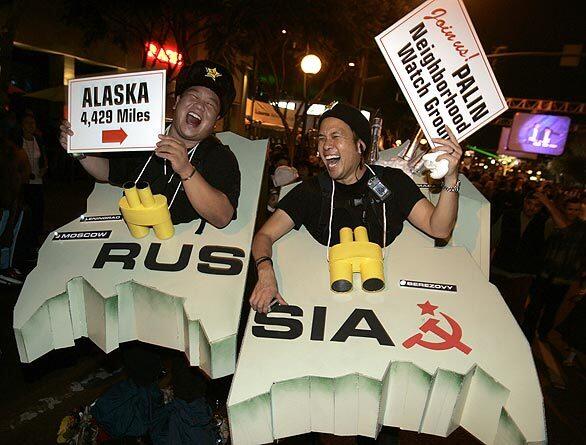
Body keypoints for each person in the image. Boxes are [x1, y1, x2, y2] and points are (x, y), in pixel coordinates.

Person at [249, 103, 463, 313]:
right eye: (322, 138)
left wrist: (451, 177)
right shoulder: (311, 191)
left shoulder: (393, 182)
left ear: (360, 145)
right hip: (322, 309)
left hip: (389, 309)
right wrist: (266, 272)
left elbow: (439, 228)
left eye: (336, 136)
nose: (325, 145)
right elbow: (264, 235)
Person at [60, 60, 240, 229]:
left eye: (210, 104)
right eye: (193, 96)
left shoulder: (220, 156)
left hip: (184, 254)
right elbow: (108, 171)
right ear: (177, 102)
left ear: (216, 120)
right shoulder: (143, 135)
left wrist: (186, 169)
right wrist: (79, 150)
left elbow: (222, 217)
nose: (200, 106)